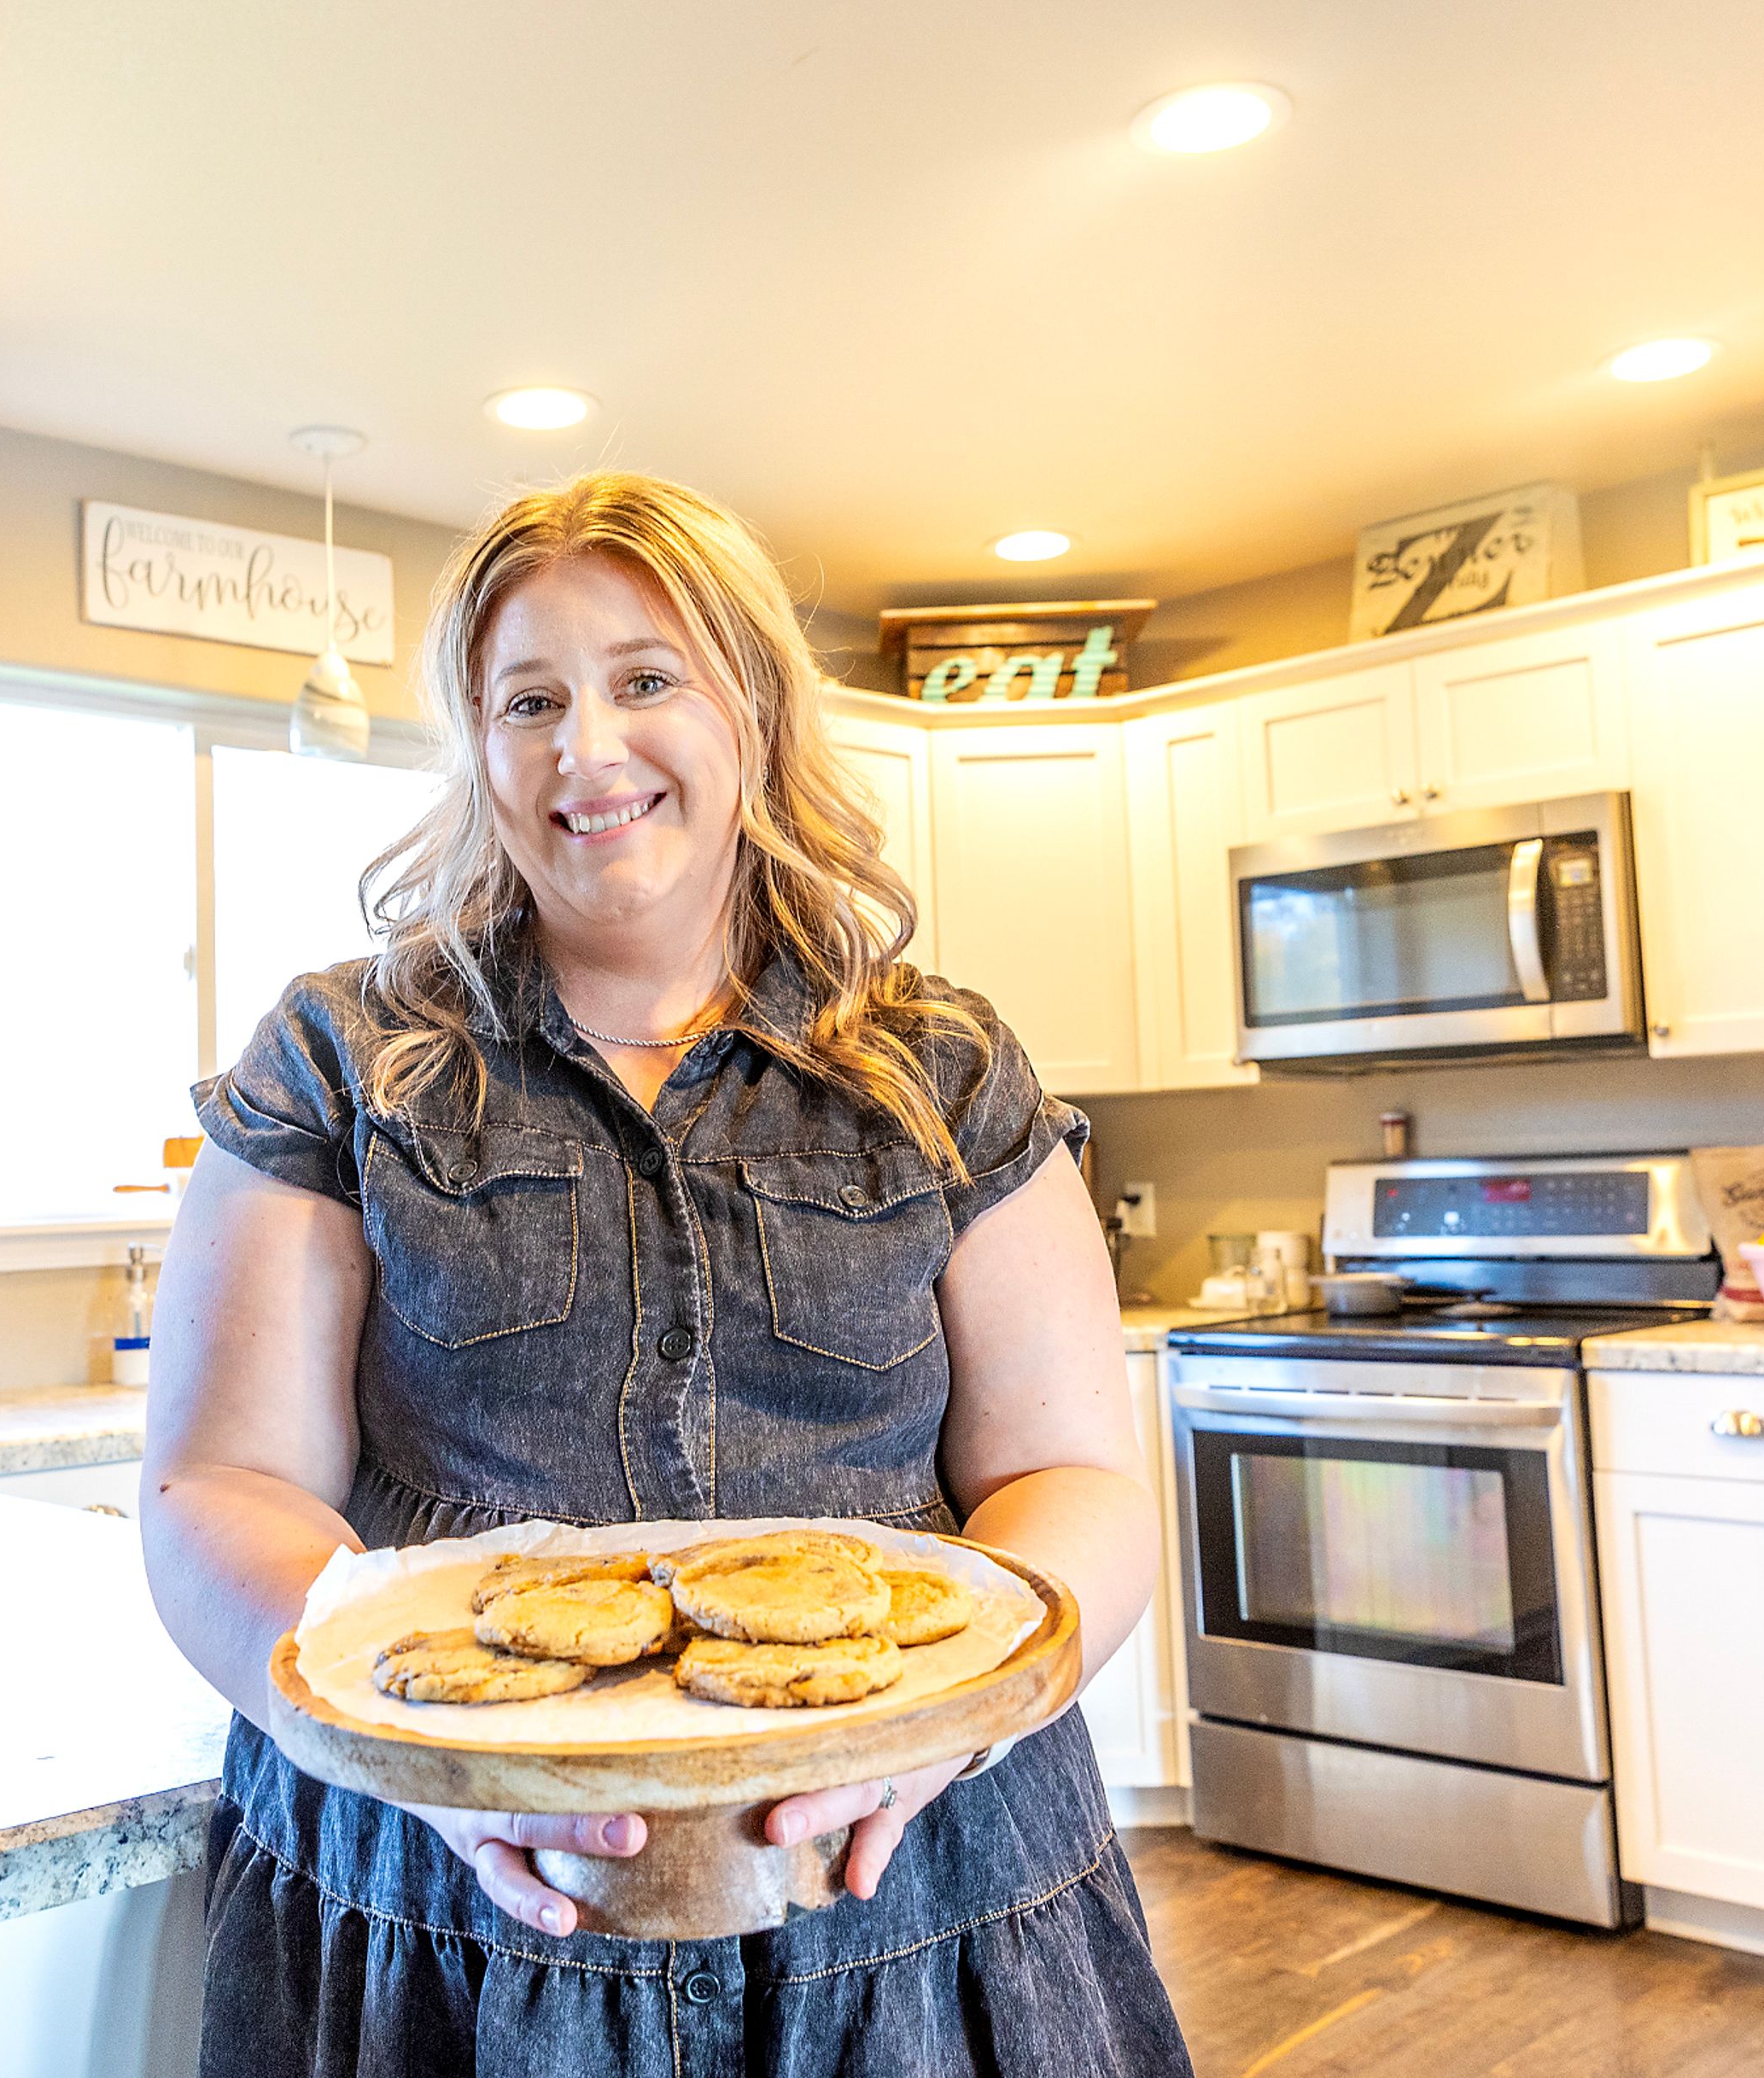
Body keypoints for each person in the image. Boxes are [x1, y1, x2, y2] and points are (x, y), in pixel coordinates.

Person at [139, 470, 1193, 2076]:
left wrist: (946, 1727)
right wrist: (400, 1744)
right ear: (480, 748)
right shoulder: (342, 1061)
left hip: (924, 1904)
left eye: (646, 680)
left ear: (753, 712)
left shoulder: (941, 1067)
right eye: (530, 700)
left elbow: (1073, 1474)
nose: (588, 747)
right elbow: (220, 1484)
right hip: (448, 1916)